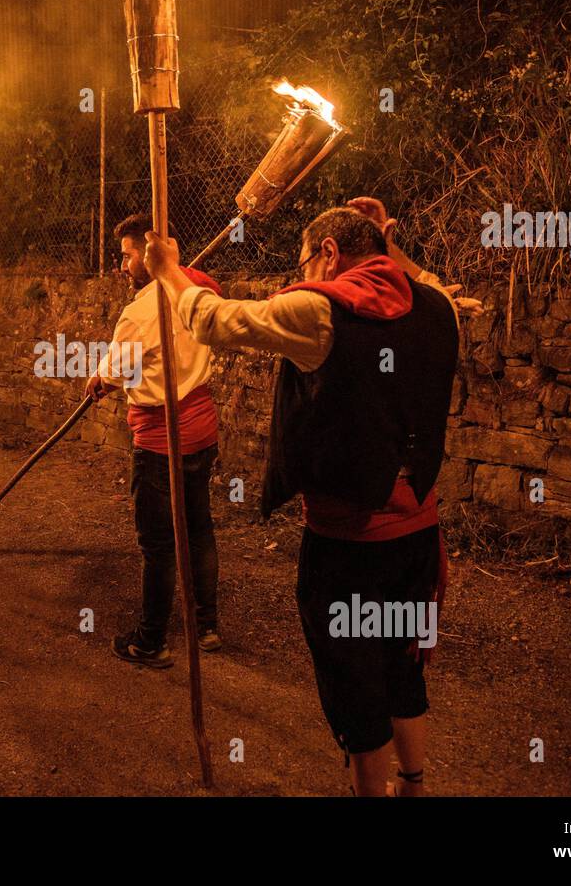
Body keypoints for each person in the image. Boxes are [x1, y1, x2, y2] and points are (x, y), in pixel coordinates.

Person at [142, 197, 476, 797]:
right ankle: (415, 784)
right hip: (418, 538)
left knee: (354, 681)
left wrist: (167, 269)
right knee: (400, 658)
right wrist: (385, 237)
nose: (300, 275)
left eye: (305, 261)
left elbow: (215, 320)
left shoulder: (317, 312)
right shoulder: (441, 307)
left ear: (328, 253)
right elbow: (416, 278)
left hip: (349, 549)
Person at [85, 213, 224, 669]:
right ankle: (206, 627)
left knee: (160, 544)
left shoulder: (141, 310)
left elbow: (119, 368)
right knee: (199, 530)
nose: (123, 265)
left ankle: (150, 640)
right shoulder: (197, 292)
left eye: (127, 255)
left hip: (162, 442)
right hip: (202, 433)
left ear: (149, 253)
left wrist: (98, 380)